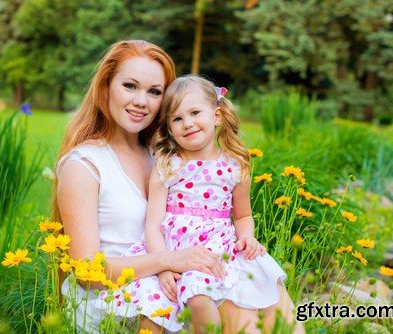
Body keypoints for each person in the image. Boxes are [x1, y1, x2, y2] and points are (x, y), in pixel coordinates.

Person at [103, 75, 304, 333]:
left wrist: (248, 237)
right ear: (169, 128)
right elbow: (153, 225)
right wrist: (163, 268)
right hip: (176, 251)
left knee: (218, 297)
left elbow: (243, 215)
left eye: (195, 112)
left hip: (216, 251)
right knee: (190, 301)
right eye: (177, 119)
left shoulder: (234, 166)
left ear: (217, 116)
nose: (187, 123)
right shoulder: (168, 166)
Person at [53, 41, 225, 332]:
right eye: (130, 86)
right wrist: (167, 260)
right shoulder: (84, 165)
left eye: (154, 92)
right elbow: (87, 272)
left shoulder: (162, 157)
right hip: (112, 306)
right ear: (106, 87)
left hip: (172, 288)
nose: (141, 101)